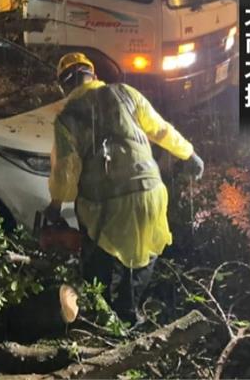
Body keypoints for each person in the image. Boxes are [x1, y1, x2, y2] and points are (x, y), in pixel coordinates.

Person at [45, 52, 205, 324]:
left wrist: (56, 205)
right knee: (144, 253)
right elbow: (160, 129)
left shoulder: (66, 118)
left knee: (100, 258)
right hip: (150, 192)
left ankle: (103, 316)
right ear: (93, 76)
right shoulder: (125, 93)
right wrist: (189, 154)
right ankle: (129, 310)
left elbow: (66, 170)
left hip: (104, 206)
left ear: (63, 86)